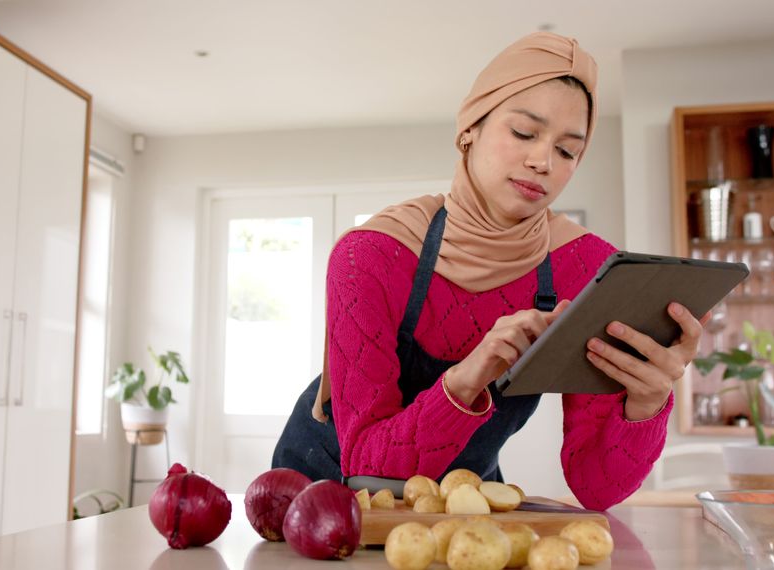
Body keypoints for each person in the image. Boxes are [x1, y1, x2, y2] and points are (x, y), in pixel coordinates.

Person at [271, 31, 703, 511]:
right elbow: (367, 466)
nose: (541, 161)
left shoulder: (584, 267)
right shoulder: (371, 254)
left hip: (461, 508)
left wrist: (645, 404)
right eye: (523, 133)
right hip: (319, 502)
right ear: (470, 129)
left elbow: (595, 489)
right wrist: (468, 377)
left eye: (567, 151)